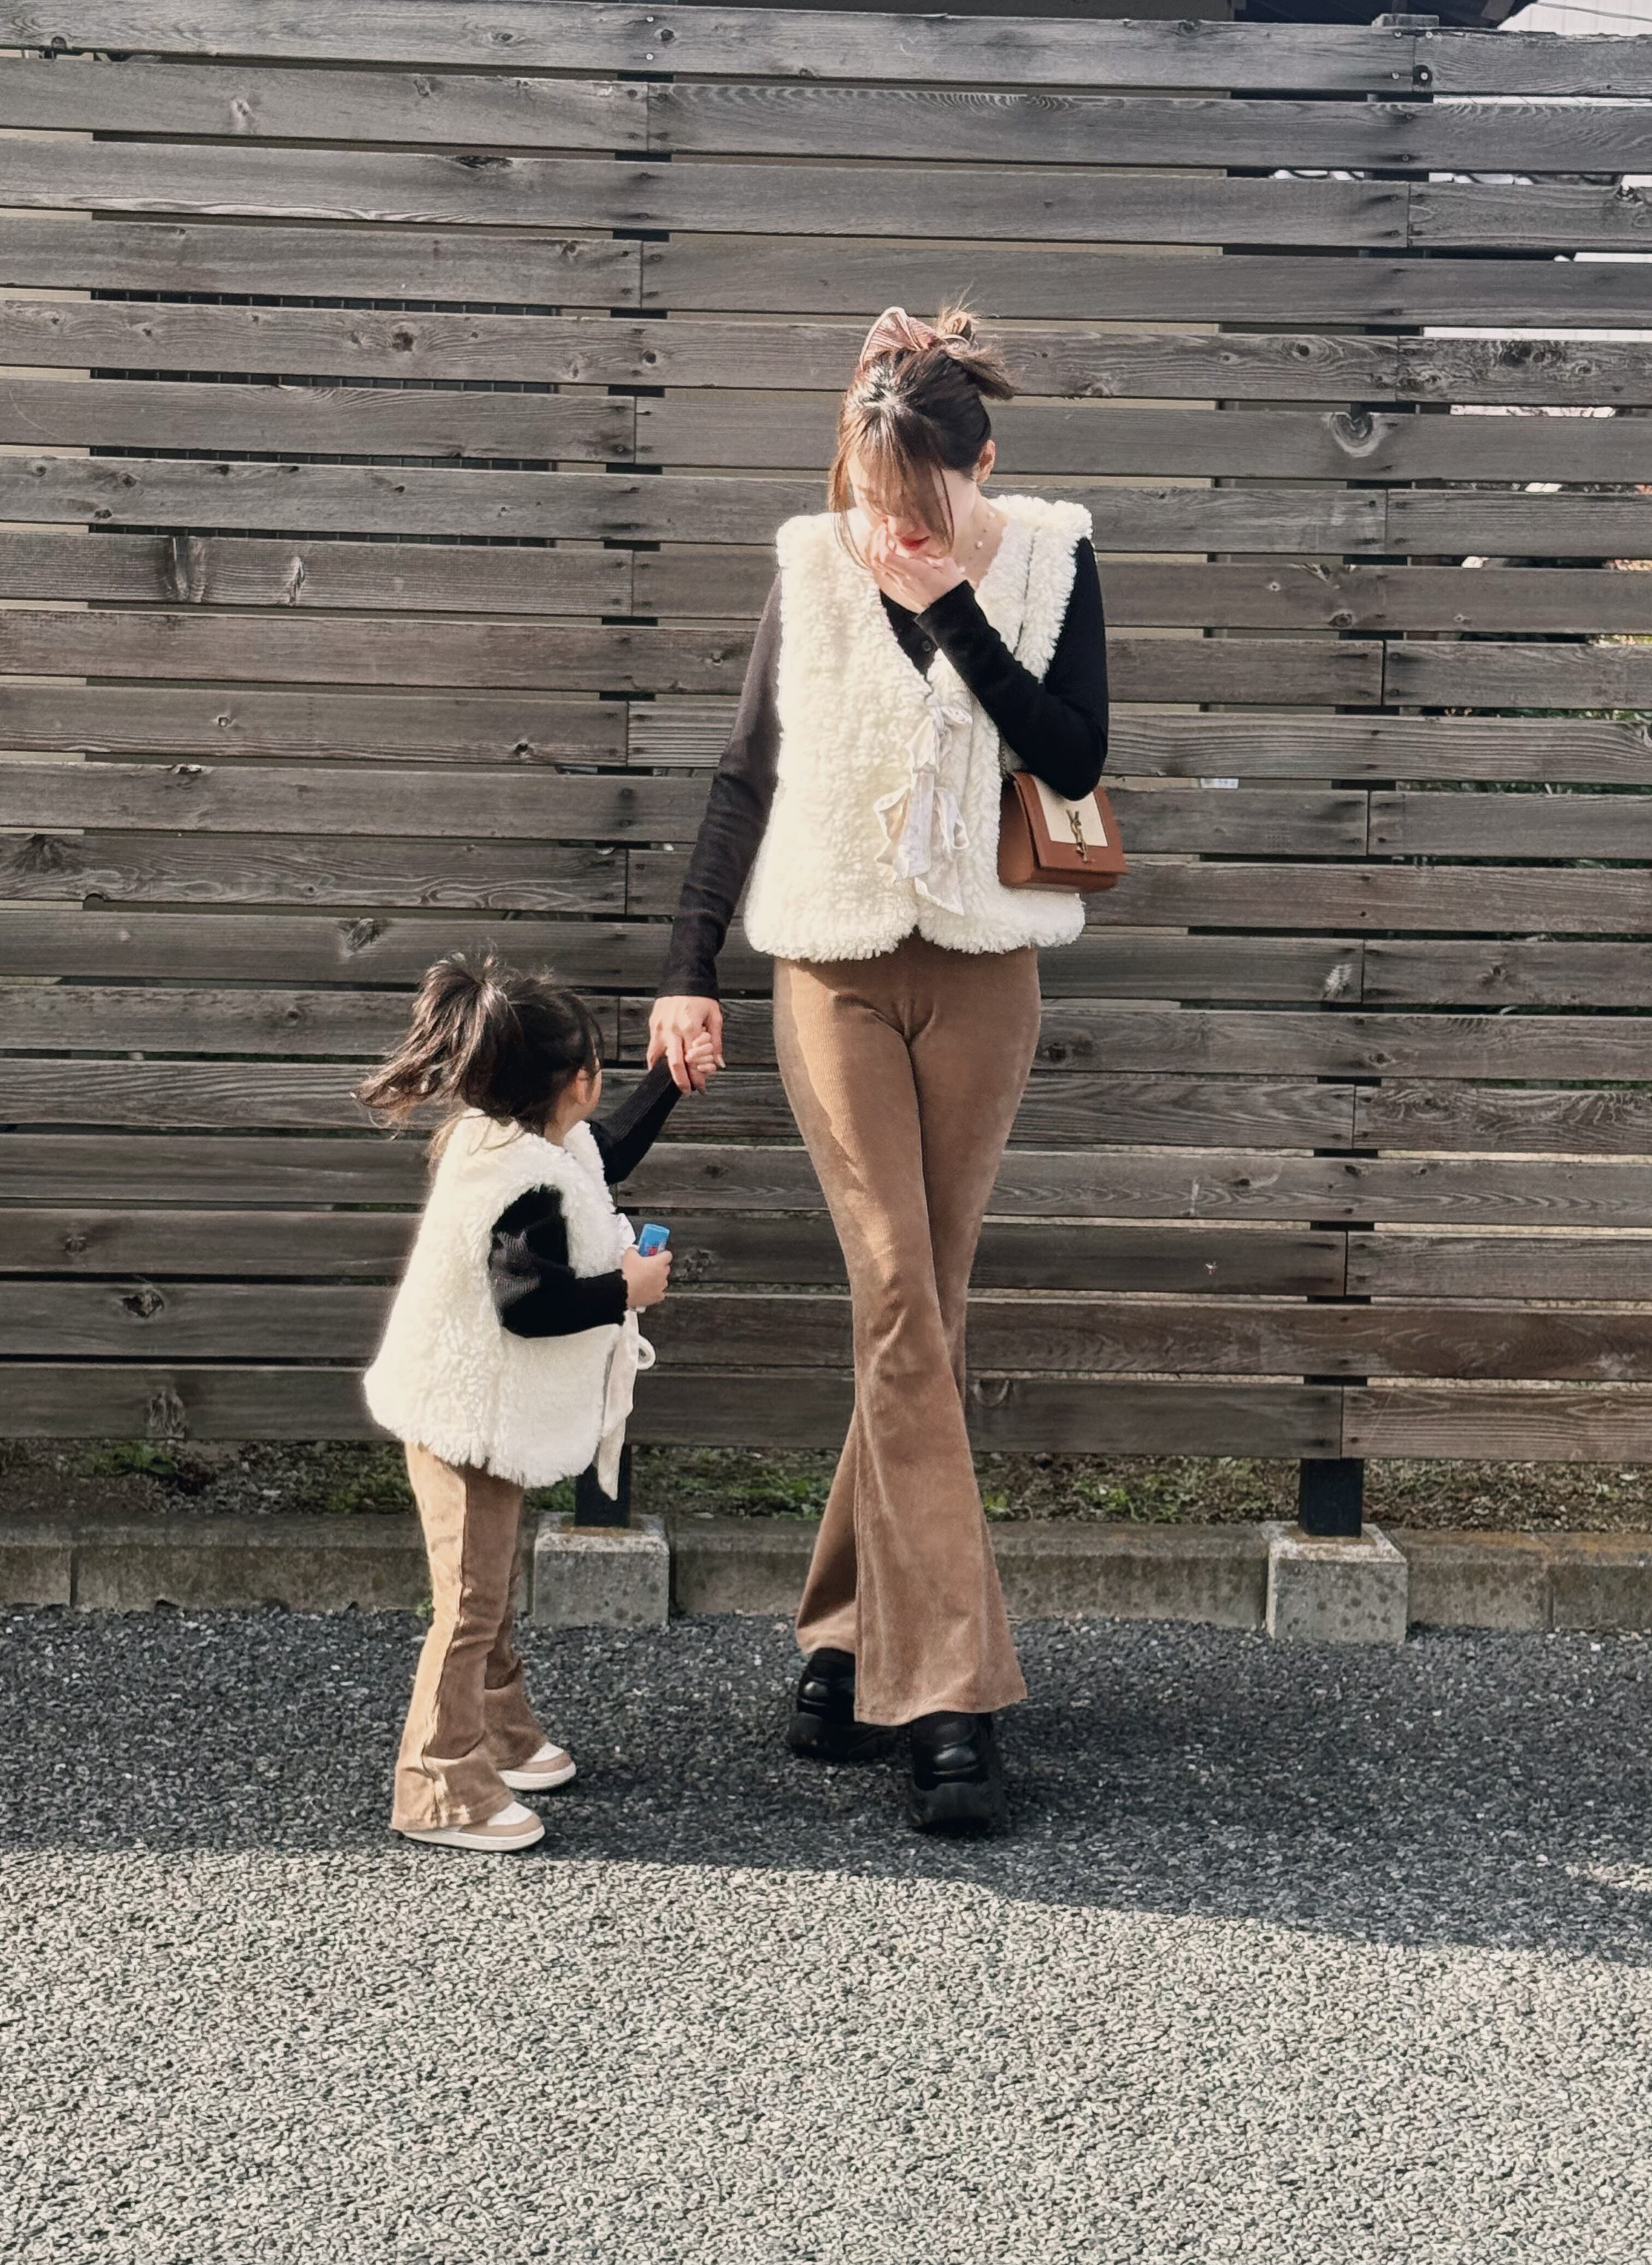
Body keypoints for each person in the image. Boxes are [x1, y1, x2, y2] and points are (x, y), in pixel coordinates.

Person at [648, 304, 1109, 1833]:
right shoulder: (813, 561)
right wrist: (686, 969)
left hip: (983, 974)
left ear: (985, 458)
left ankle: (845, 1645)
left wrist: (954, 608)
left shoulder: (1051, 556)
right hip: (831, 969)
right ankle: (952, 1696)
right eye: (872, 497)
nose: (891, 529)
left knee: (928, 1314)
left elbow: (1075, 752)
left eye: (921, 502)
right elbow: (745, 776)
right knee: (902, 1299)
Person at [356, 953, 714, 1854]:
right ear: (574, 1082)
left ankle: (501, 1734)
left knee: (487, 1591)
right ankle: (436, 1782)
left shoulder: (526, 1141)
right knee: (470, 1603)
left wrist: (670, 1082)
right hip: (462, 1419)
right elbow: (528, 1301)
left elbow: (610, 1150)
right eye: (597, 1061)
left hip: (478, 1409)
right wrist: (626, 1288)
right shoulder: (523, 1184)